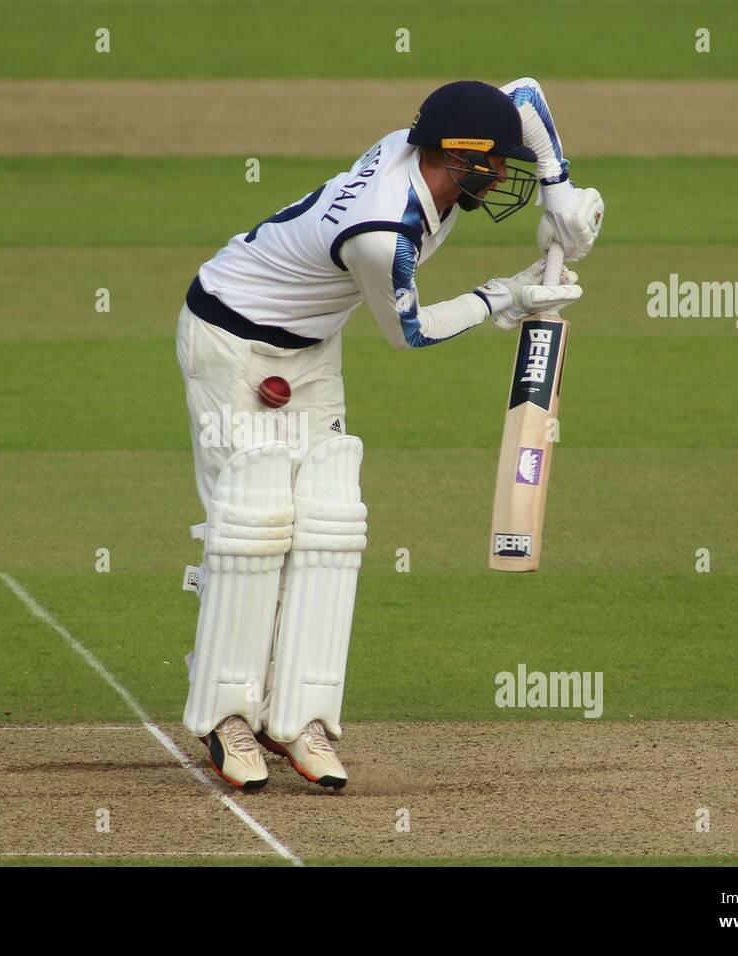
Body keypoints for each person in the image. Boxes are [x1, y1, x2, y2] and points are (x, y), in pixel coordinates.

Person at [175, 79, 604, 790]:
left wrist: (560, 190)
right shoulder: (381, 234)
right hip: (231, 341)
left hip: (310, 345)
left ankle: (298, 717)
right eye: (496, 165)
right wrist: (507, 295)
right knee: (252, 524)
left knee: (327, 522)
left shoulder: (433, 153)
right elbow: (409, 335)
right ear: (457, 160)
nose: (505, 176)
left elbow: (523, 96)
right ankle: (226, 716)